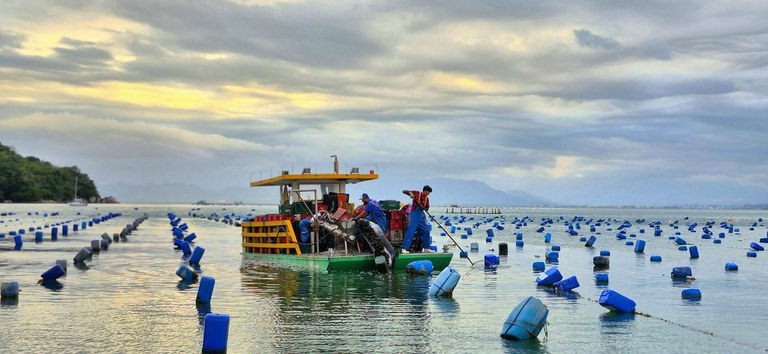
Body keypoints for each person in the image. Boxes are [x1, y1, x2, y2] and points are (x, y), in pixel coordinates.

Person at [401, 185, 433, 253]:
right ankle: (404, 249)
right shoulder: (416, 193)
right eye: (428, 192)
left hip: (421, 215)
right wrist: (410, 193)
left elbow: (427, 208)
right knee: (411, 230)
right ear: (425, 191)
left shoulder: (427, 199)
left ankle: (426, 248)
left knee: (426, 230)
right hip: (414, 214)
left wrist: (424, 208)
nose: (428, 194)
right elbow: (404, 191)